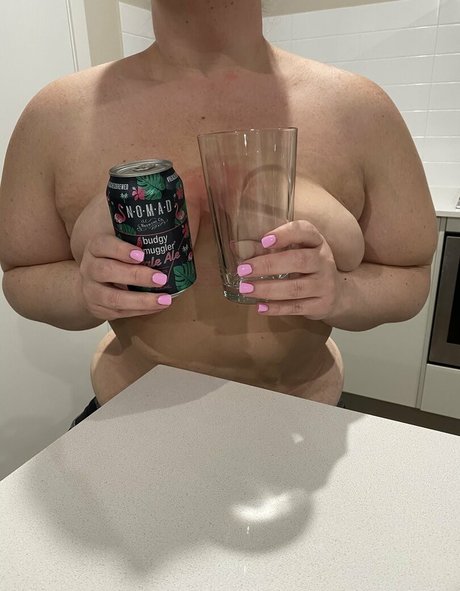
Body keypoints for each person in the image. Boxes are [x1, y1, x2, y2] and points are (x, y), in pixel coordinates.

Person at [0, 0, 437, 420]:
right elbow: (21, 275)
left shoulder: (360, 108)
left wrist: (341, 294)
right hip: (132, 416)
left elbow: (411, 275)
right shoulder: (56, 116)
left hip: (302, 415)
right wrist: (84, 291)